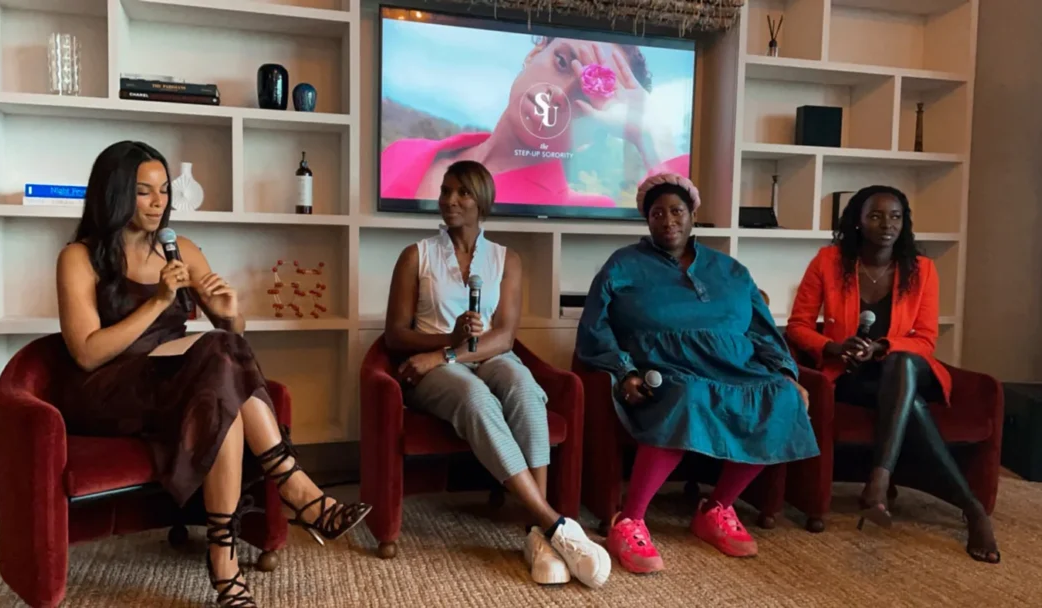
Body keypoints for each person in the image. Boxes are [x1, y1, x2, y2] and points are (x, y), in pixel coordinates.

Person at [55, 141, 372, 607]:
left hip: (179, 378)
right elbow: (85, 353)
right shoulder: (80, 258)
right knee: (217, 373)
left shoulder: (180, 248)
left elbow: (232, 339)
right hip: (109, 388)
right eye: (144, 192)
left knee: (221, 382)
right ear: (114, 194)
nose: (159, 201)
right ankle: (295, 487)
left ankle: (225, 564)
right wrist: (161, 302)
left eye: (163, 190)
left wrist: (230, 315)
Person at [575, 173, 819, 573]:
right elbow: (595, 327)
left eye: (676, 211)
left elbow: (762, 329)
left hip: (736, 369)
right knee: (687, 396)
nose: (667, 220)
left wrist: (785, 372)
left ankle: (717, 508)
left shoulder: (731, 270)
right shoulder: (623, 264)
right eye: (657, 214)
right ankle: (630, 520)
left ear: (692, 216)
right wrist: (624, 371)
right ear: (646, 220)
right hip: (665, 371)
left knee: (784, 399)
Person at [384, 160, 611, 588]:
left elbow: (504, 337)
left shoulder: (507, 259)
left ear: (483, 202)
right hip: (433, 365)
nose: (450, 200)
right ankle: (551, 522)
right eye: (446, 191)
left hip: (477, 355)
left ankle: (536, 537)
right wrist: (445, 345)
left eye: (463, 193)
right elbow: (394, 336)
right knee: (475, 398)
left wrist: (449, 354)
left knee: (525, 387)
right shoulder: (415, 255)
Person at [786, 185, 1000, 564]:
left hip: (912, 370)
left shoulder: (922, 270)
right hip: (852, 376)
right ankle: (972, 508)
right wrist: (834, 348)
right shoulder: (828, 262)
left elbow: (926, 339)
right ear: (857, 220)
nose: (887, 225)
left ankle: (879, 481)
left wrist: (882, 347)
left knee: (900, 365)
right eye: (876, 216)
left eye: (896, 217)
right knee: (912, 407)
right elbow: (799, 326)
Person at [381, 36, 690, 207]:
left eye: (586, 94)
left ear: (594, 133)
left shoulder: (582, 207)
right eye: (561, 61)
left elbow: (681, 224)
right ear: (534, 53)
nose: (557, 95)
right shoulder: (402, 152)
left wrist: (649, 135)